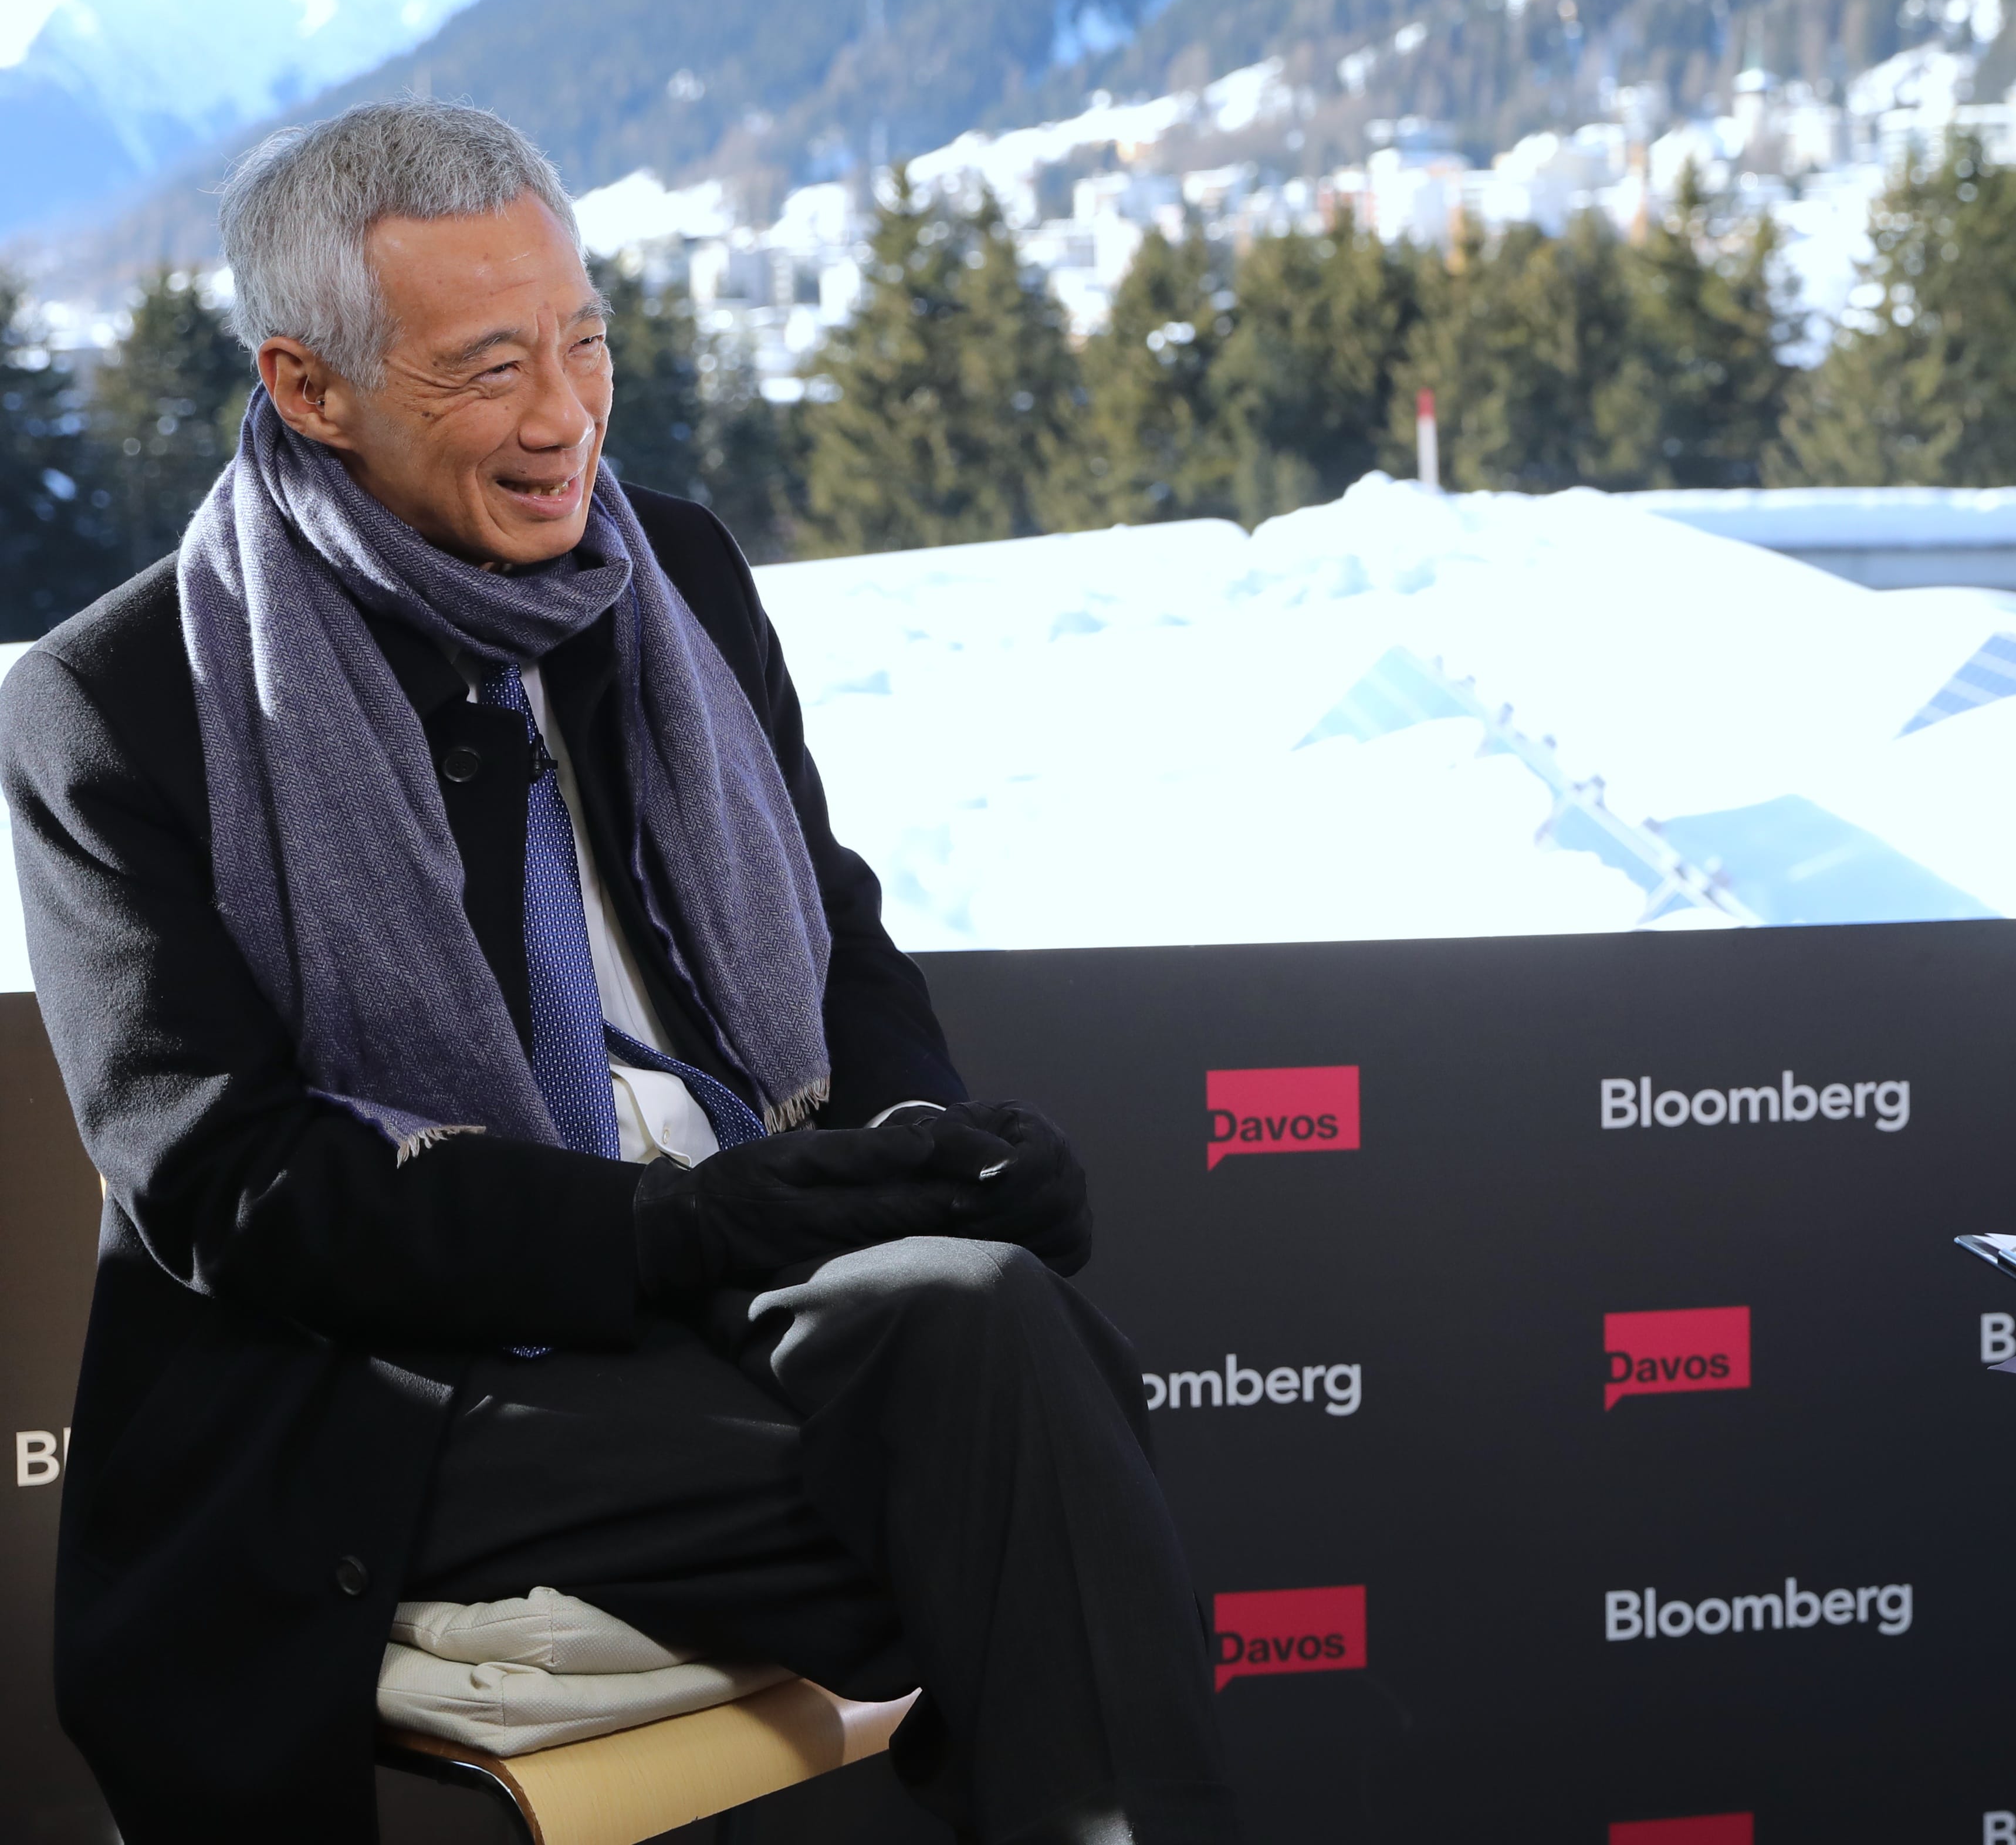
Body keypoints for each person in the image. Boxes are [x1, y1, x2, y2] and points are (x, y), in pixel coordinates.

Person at [2, 103, 1242, 1844]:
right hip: (386, 1380)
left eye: (584, 343)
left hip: (734, 1273)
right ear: (307, 385)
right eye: (487, 368)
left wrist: (907, 1142)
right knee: (1019, 1452)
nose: (562, 419)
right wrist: (663, 1235)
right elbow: (232, 1184)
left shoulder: (675, 573)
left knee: (986, 1316)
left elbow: (837, 930)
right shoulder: (119, 701)